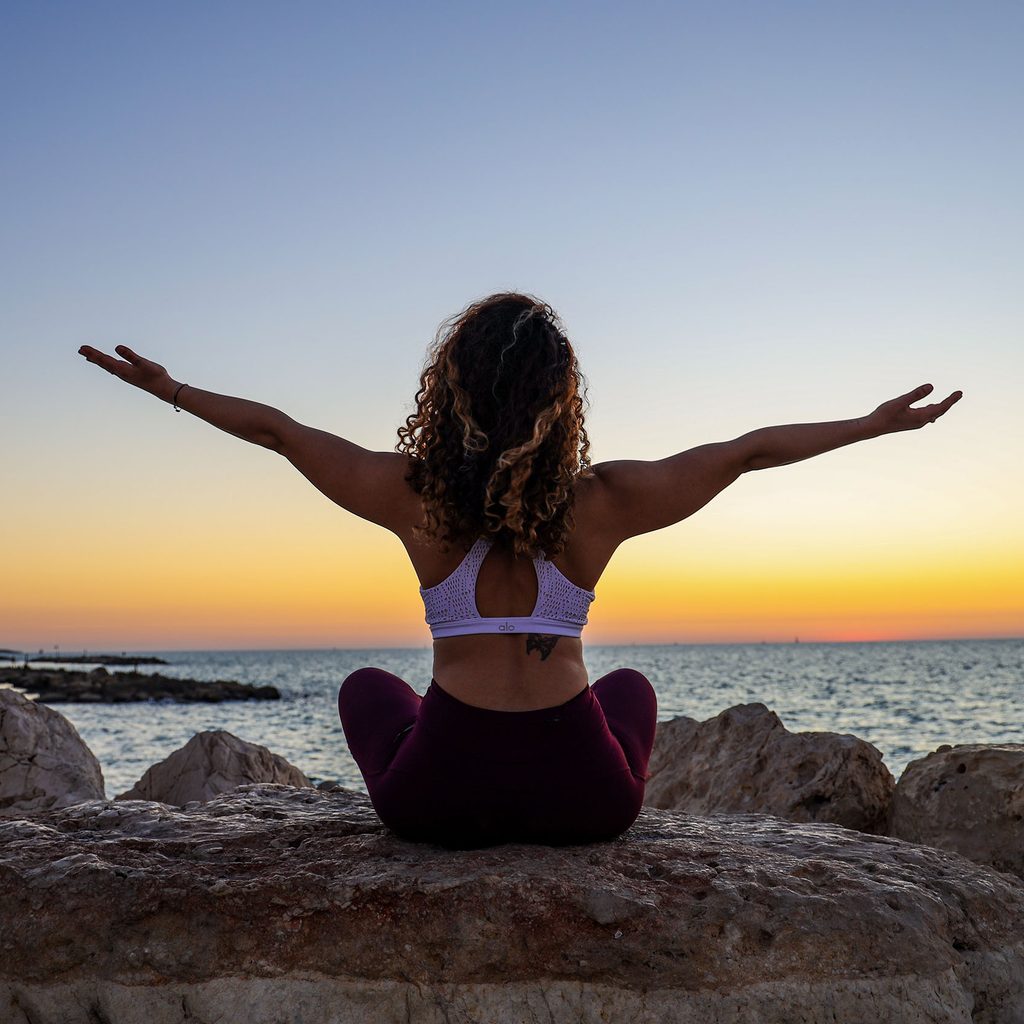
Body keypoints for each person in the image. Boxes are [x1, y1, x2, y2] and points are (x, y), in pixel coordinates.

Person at [79, 292, 962, 848]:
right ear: (561, 399)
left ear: (449, 390)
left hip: (435, 802)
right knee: (632, 691)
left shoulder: (412, 496)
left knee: (366, 689)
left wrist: (172, 390)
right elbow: (748, 451)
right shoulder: (604, 502)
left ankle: (444, 729)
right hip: (586, 803)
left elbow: (279, 431)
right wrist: (868, 424)